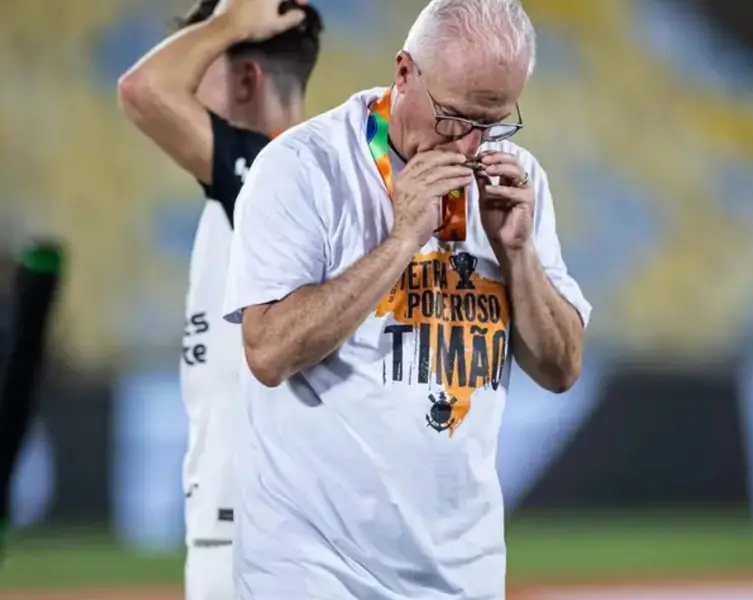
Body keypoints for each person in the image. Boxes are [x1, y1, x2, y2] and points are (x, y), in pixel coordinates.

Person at [221, 0, 590, 597]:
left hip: (460, 573)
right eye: (455, 116)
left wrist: (518, 255)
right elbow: (267, 351)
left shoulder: (517, 179)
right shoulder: (302, 168)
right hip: (312, 569)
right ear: (403, 73)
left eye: (492, 121)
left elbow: (561, 367)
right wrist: (401, 239)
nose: (470, 142)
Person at [116, 0, 323, 599]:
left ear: (244, 78)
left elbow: (142, 91)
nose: (187, 72)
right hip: (271, 537)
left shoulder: (268, 175)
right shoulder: (301, 182)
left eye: (201, 57)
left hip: (252, 547)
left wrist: (229, 22)